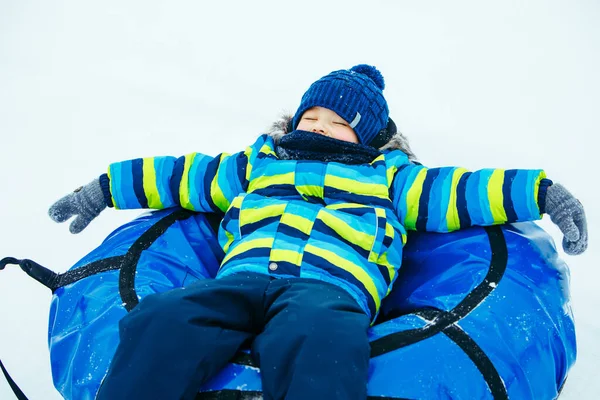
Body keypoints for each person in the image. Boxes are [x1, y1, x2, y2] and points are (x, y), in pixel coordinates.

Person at [48, 64, 588, 400]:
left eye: (337, 123)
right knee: (164, 318)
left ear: (368, 137)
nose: (320, 128)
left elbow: (466, 191)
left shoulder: (391, 178)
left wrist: (543, 194)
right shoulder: (255, 164)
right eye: (312, 118)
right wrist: (102, 189)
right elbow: (178, 177)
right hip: (242, 278)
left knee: (317, 342)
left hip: (329, 288)